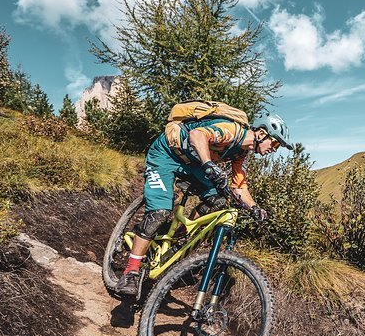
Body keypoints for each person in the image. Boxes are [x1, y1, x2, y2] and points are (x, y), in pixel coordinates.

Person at [115, 113, 292, 297]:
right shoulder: (232, 131)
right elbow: (197, 135)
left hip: (193, 164)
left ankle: (177, 234)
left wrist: (255, 208)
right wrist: (209, 164)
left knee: (218, 200)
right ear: (261, 134)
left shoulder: (241, 152)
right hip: (166, 154)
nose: (274, 149)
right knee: (160, 211)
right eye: (275, 143)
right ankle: (131, 271)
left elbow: (239, 186)